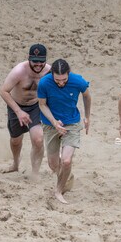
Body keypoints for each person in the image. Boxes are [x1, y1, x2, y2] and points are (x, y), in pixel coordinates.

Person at [37, 59, 91, 204]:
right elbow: (42, 105)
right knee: (53, 164)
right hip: (50, 124)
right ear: (52, 75)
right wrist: (54, 122)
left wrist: (87, 116)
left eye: (64, 80)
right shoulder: (44, 83)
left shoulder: (78, 81)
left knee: (66, 161)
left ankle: (59, 190)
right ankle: (67, 176)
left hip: (72, 123)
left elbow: (86, 95)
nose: (61, 83)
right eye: (57, 80)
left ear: (69, 74)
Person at [0, 44, 51, 178]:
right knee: (15, 140)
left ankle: (35, 172)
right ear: (29, 58)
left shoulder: (49, 71)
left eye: (41, 62)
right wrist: (18, 111)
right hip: (16, 105)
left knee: (38, 139)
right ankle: (15, 164)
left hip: (35, 106)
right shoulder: (19, 71)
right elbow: (4, 91)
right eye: (35, 61)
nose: (38, 65)